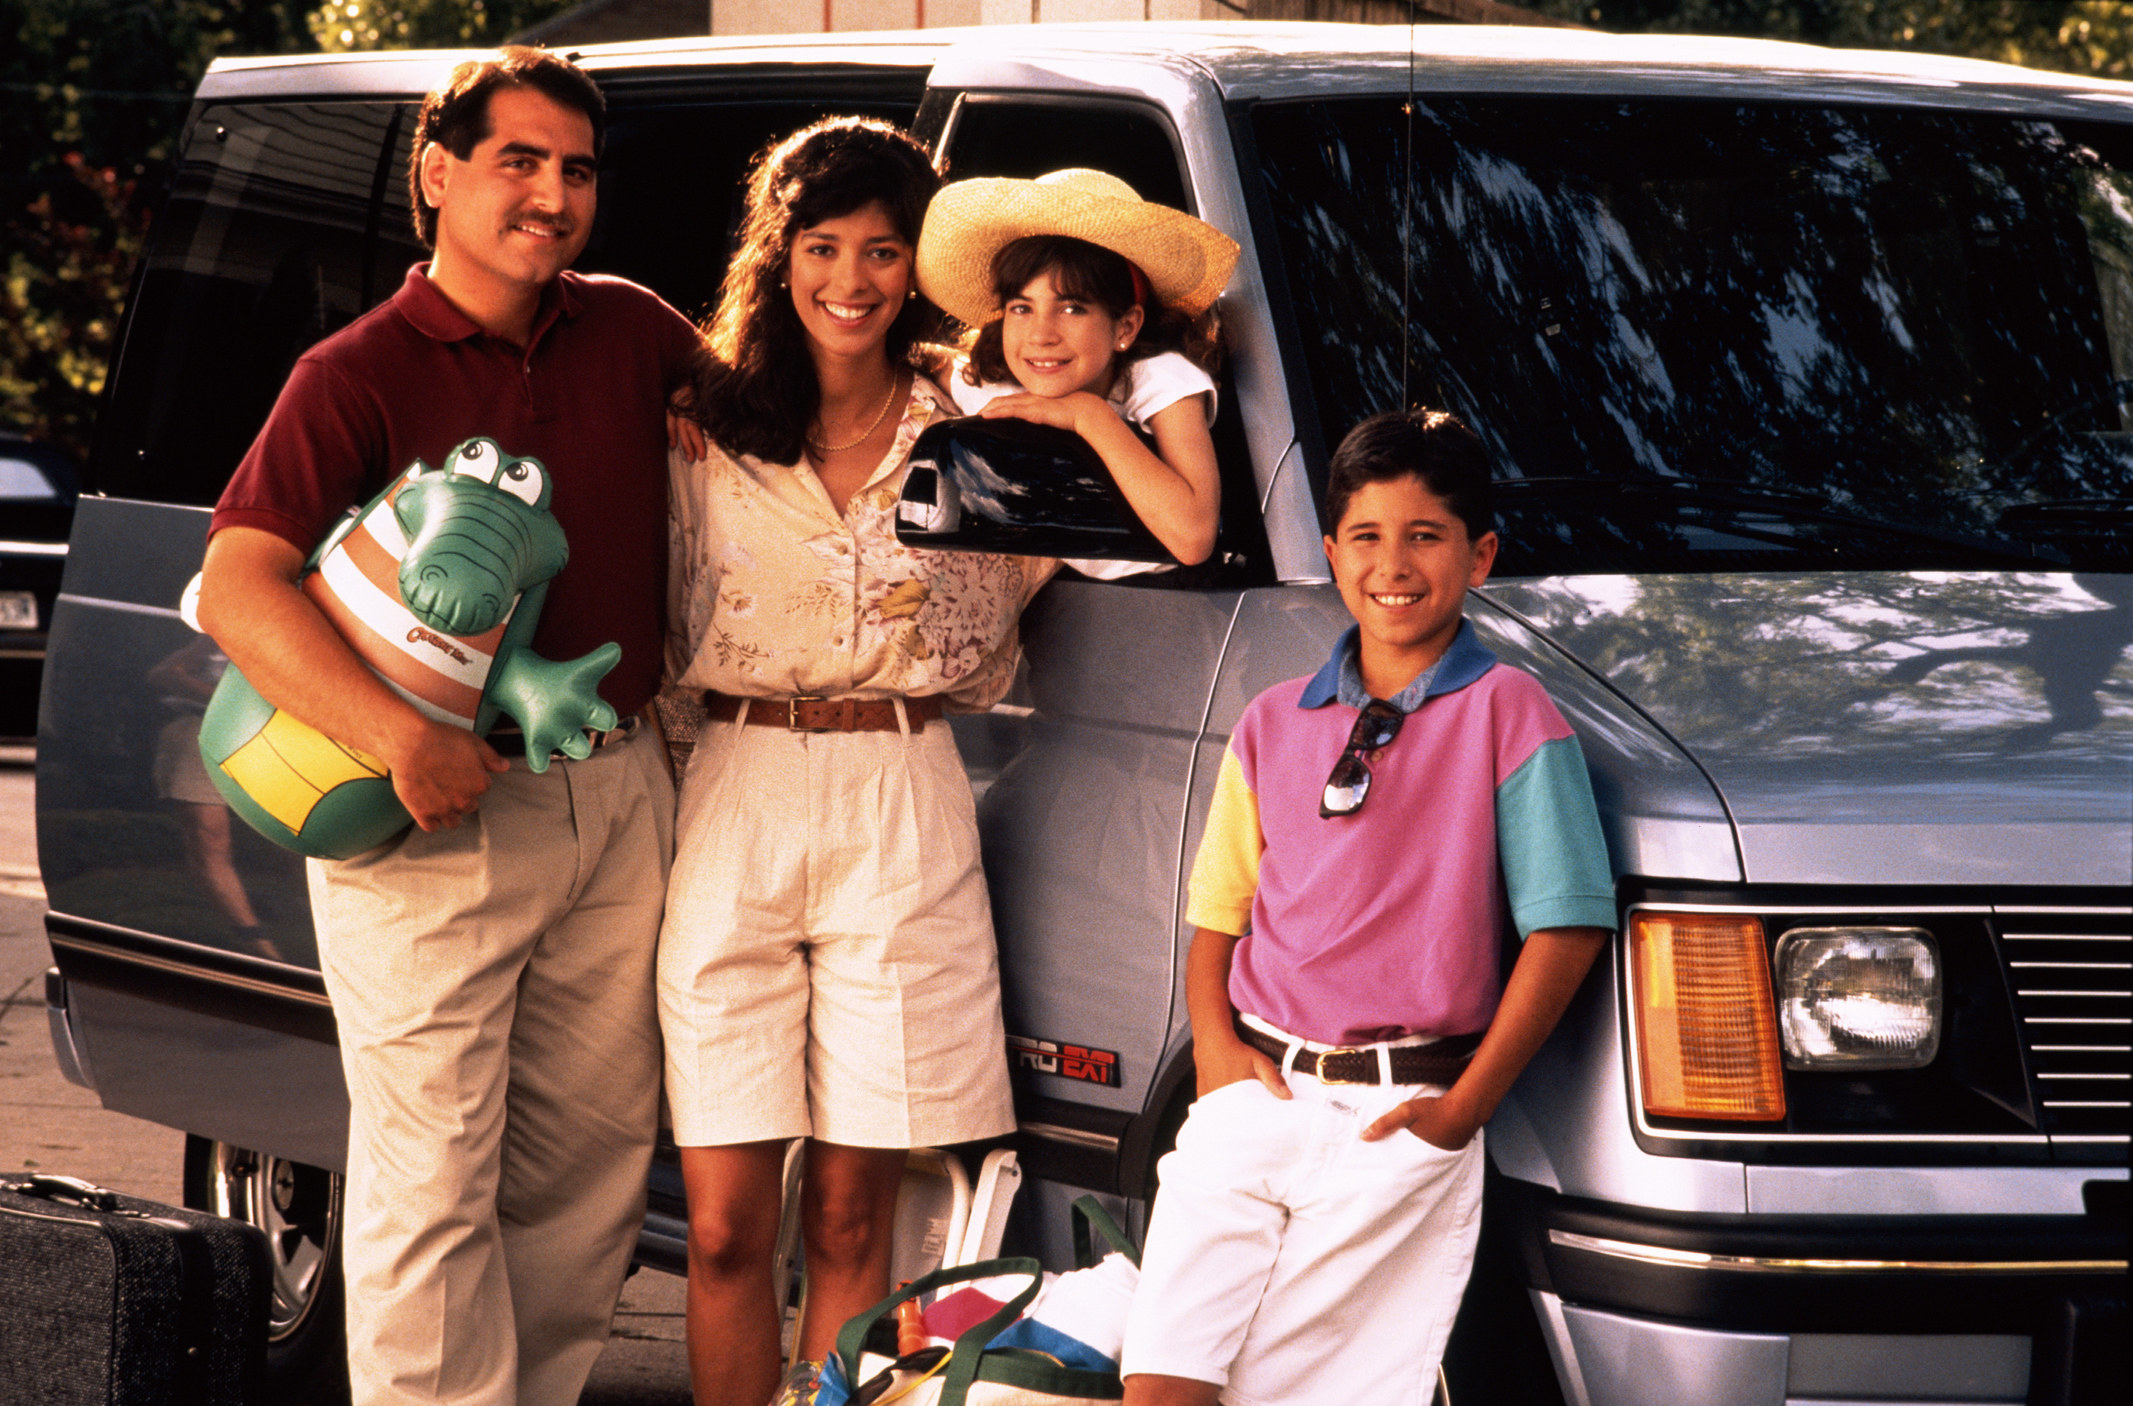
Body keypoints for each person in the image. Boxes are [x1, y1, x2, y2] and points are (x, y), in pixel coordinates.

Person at [195, 48, 698, 1406]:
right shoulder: (352, 370)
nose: (551, 193)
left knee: (584, 1182)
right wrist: (395, 738)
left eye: (575, 169)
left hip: (617, 788)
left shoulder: (636, 329)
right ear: (438, 174)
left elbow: (789, 444)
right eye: (518, 161)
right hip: (426, 806)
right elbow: (239, 582)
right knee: (432, 1179)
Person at [1117, 408, 1619, 1406]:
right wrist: (1216, 1050)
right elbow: (1220, 908)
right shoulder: (1272, 719)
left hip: (1399, 1120)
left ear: (1479, 554)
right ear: (1332, 551)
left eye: (1425, 535)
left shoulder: (1510, 713)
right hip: (1253, 1092)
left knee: (1301, 1395)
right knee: (1164, 1380)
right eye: (1367, 535)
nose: (1394, 561)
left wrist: (1463, 1109)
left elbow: (1569, 926)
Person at [914, 167, 1237, 567]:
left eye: (1072, 308)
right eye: (1021, 307)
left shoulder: (1161, 378)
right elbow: (931, 359)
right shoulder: (1004, 390)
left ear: (1126, 325)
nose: (1041, 335)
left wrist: (1089, 415)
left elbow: (1194, 538)